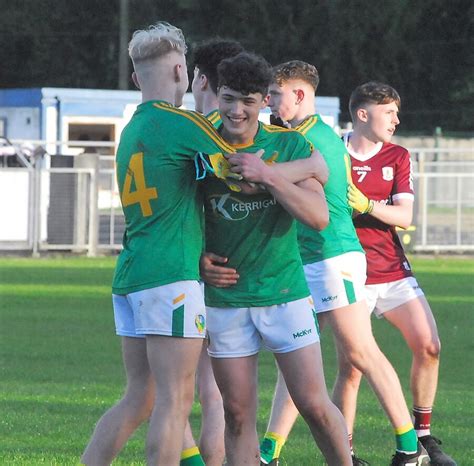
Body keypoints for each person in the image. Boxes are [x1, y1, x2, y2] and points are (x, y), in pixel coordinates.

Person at [202, 60, 429, 466]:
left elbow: (316, 177)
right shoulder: (285, 135)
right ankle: (270, 449)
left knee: (358, 355)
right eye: (231, 99)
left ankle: (410, 446)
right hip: (294, 264)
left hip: (329, 255)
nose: (266, 103)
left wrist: (263, 172)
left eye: (269, 96)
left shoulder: (307, 137)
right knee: (319, 377)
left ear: (298, 95)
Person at [81, 22, 238, 466]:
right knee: (175, 401)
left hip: (131, 274)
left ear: (136, 79)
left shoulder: (132, 130)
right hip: (170, 277)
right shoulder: (180, 123)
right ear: (180, 73)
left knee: (140, 397)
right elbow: (240, 166)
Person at [198, 51, 352, 466]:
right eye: (228, 98)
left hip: (284, 293)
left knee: (315, 407)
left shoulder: (287, 144)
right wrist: (198, 260)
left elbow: (318, 217)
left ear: (264, 101)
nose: (236, 110)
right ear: (216, 94)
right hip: (226, 300)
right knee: (236, 415)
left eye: (247, 100)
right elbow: (176, 213)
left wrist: (267, 175)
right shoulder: (197, 142)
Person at [343, 81, 456, 466]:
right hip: (348, 271)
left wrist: (366, 203)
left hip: (391, 269)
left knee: (429, 345)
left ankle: (422, 438)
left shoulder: (398, 155)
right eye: (389, 111)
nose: (397, 119)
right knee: (353, 366)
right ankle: (347, 452)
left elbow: (404, 217)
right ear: (363, 114)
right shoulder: (331, 150)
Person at [188, 37, 245, 466]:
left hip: (189, 271)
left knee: (173, 395)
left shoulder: (191, 131)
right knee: (216, 397)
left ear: (199, 78)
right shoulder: (237, 134)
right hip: (236, 272)